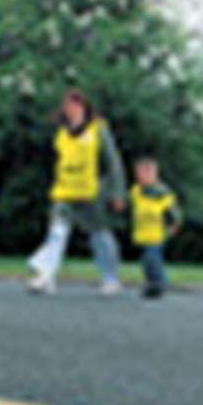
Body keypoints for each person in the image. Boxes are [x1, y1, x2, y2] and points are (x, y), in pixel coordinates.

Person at [27, 88, 126, 296]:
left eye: (75, 105)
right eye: (67, 106)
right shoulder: (62, 133)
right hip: (65, 191)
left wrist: (117, 192)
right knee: (57, 233)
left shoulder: (98, 129)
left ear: (84, 107)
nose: (71, 109)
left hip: (92, 192)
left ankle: (110, 278)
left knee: (100, 236)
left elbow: (113, 163)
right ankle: (46, 277)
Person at [129, 158, 182, 299]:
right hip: (141, 232)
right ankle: (151, 284)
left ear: (153, 173)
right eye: (139, 172)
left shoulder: (162, 192)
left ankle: (159, 284)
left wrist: (173, 224)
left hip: (157, 232)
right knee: (146, 261)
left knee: (153, 258)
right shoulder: (136, 191)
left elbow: (172, 210)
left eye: (146, 172)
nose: (141, 176)